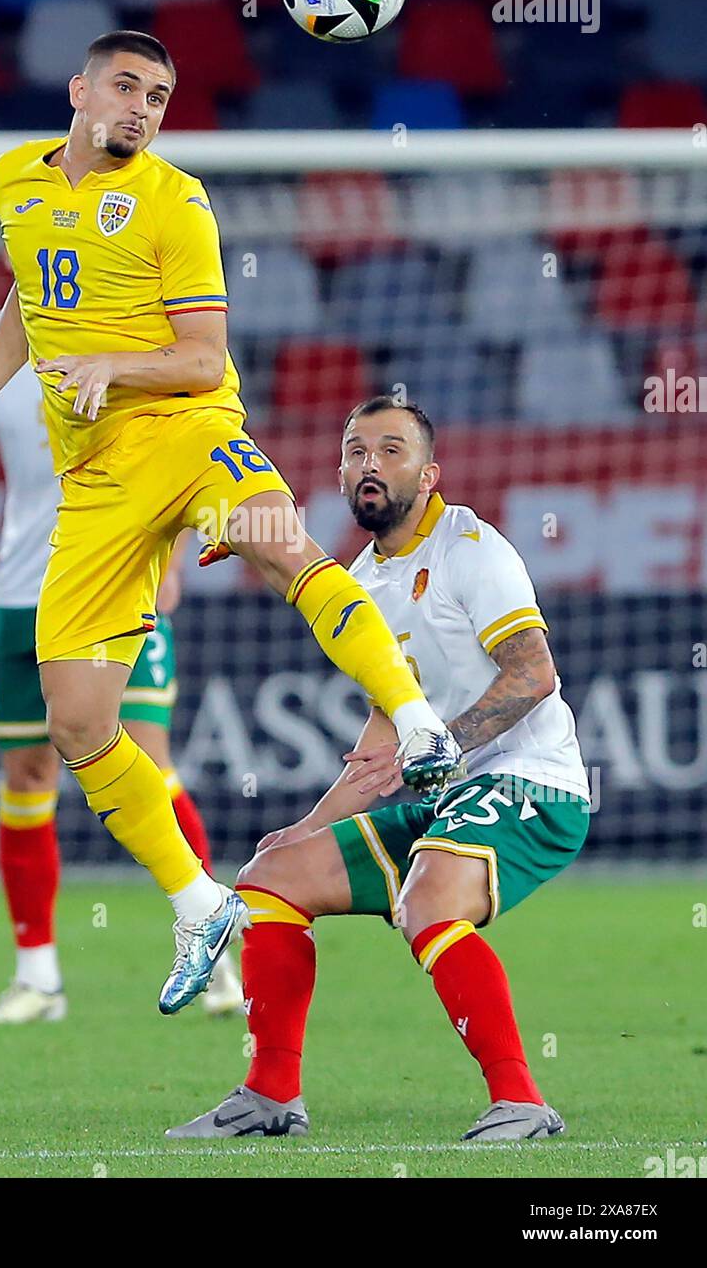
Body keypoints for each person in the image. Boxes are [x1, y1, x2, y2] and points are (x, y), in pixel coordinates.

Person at [0, 30, 460, 1014]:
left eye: (158, 96)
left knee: (280, 549)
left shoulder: (176, 200)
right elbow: (29, 304)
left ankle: (418, 724)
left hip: (185, 431)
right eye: (125, 86)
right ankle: (198, 899)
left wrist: (109, 368)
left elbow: (204, 359)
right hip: (94, 483)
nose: (140, 107)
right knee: (77, 723)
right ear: (79, 88)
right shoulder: (14, 179)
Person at [167, 396, 590, 1142]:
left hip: (531, 783)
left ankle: (522, 1103)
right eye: (355, 450)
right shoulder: (359, 581)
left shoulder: (472, 549)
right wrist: (298, 831)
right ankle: (271, 1098)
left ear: (429, 474)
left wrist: (445, 744)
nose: (369, 464)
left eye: (390, 450)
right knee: (271, 876)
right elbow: (381, 741)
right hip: (447, 794)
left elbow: (533, 676)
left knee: (429, 901)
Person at [0, 312, 242, 1021]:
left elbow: (190, 442)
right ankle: (38, 980)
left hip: (121, 578)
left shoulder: (134, 325)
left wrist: (173, 556)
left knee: (145, 757)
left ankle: (219, 957)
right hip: (23, 593)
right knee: (26, 774)